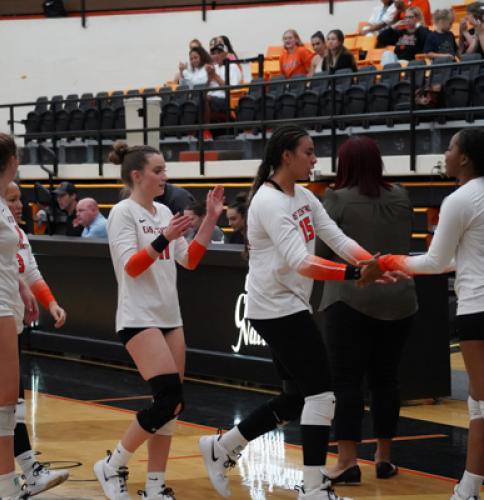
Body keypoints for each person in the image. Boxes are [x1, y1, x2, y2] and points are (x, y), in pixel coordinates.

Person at [199, 125, 385, 500]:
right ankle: (314, 488)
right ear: (287, 155)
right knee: (322, 394)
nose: (315, 159)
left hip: (290, 304)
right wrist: (355, 273)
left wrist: (377, 264)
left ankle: (222, 447)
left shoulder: (302, 196)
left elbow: (336, 238)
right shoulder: (268, 202)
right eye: (309, 151)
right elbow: (302, 262)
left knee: (296, 398)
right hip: (274, 308)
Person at [94, 141, 224, 500]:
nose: (165, 176)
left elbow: (190, 260)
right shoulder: (123, 211)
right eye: (158, 170)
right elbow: (131, 267)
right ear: (137, 176)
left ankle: (154, 486)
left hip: (170, 316)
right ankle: (112, 464)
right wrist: (163, 239)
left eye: (165, 170)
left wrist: (210, 219)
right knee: (167, 398)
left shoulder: (166, 212)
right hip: (138, 317)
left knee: (173, 405)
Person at [362, 128, 484, 500]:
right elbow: (449, 261)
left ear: (464, 158)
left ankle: (467, 489)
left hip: (477, 309)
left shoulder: (461, 199)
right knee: (477, 402)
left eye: (449, 148)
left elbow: (434, 261)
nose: (444, 154)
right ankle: (468, 486)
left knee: (481, 403)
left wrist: (385, 261)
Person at [314, 136, 418, 485]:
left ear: (345, 164)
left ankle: (346, 461)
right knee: (386, 381)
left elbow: (323, 253)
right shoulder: (401, 194)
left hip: (350, 298)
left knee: (347, 382)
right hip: (400, 298)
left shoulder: (336, 198)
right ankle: (384, 458)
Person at [4, 181, 69, 494]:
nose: (19, 205)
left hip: (10, 325)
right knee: (7, 403)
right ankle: (29, 472)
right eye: (12, 199)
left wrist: (52, 303)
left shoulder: (17, 234)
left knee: (7, 403)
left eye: (20, 199)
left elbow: (32, 273)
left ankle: (25, 473)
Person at [0, 132, 38, 500]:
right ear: (11, 161)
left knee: (3, 404)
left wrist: (20, 286)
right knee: (2, 404)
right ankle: (9, 487)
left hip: (2, 302)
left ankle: (8, 486)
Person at [205, 42, 242, 123]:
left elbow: (232, 89)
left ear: (225, 54)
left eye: (219, 53)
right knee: (196, 98)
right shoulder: (212, 67)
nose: (215, 56)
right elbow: (204, 88)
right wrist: (209, 77)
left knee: (204, 99)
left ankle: (204, 129)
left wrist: (215, 76)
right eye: (213, 53)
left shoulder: (232, 66)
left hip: (225, 99)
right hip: (210, 97)